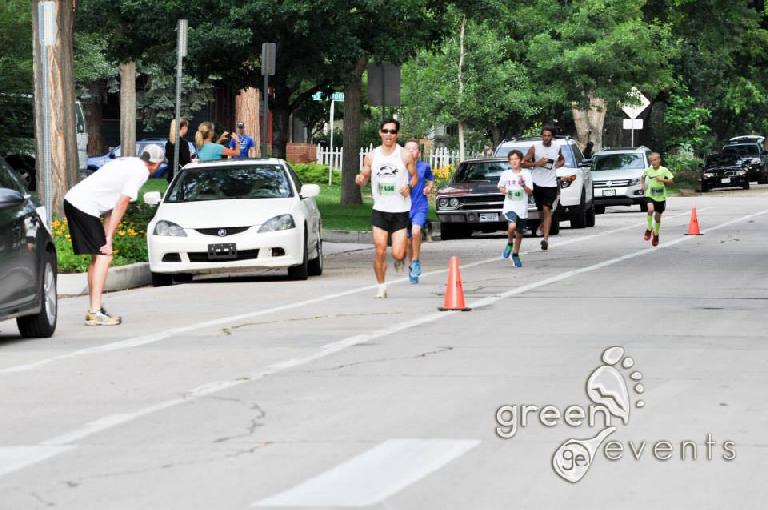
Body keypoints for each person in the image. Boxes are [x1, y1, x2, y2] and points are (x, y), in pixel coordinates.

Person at [63, 145, 165, 325]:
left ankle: (95, 309)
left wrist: (107, 234)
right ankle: (95, 312)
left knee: (99, 256)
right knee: (104, 256)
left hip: (76, 201)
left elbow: (112, 206)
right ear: (156, 165)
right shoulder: (140, 172)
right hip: (84, 205)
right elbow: (121, 204)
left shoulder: (130, 163)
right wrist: (108, 238)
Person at [355, 118, 418, 298]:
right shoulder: (372, 155)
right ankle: (381, 286)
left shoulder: (405, 154)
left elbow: (414, 176)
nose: (389, 134)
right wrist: (361, 178)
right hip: (380, 209)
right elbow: (365, 174)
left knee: (398, 253)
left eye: (392, 131)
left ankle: (400, 258)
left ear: (397, 134)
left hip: (400, 210)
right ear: (380, 132)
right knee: (380, 249)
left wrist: (410, 187)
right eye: (385, 131)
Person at [523, 126, 564, 251]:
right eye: (544, 135)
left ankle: (545, 239)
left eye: (548, 136)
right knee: (541, 210)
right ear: (542, 136)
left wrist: (558, 165)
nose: (546, 138)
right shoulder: (535, 147)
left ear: (552, 136)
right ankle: (542, 224)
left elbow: (562, 159)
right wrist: (536, 163)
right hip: (537, 183)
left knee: (547, 209)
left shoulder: (557, 147)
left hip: (550, 183)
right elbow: (523, 163)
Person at [404, 140, 434, 284]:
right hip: (403, 208)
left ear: (419, 153)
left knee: (416, 232)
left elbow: (430, 180)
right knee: (408, 241)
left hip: (420, 206)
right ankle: (412, 266)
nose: (411, 151)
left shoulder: (424, 167)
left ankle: (416, 261)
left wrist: (429, 188)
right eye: (408, 149)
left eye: (414, 149)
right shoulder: (400, 168)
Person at [498, 150, 533, 267]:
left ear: (521, 160)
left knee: (519, 233)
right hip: (510, 205)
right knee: (512, 226)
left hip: (522, 207)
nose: (514, 161)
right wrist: (506, 191)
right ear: (509, 161)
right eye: (511, 159)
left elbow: (530, 192)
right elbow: (501, 188)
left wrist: (523, 185)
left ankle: (515, 254)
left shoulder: (526, 174)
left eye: (516, 159)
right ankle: (509, 243)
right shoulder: (506, 174)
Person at [641, 152, 674, 247]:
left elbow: (671, 181)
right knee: (650, 209)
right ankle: (649, 229)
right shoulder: (648, 170)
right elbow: (642, 177)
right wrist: (642, 185)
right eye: (651, 161)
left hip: (661, 197)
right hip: (650, 195)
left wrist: (662, 180)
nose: (653, 162)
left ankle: (656, 235)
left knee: (657, 217)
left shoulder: (664, 170)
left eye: (655, 160)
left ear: (659, 160)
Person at [164, 118, 191, 183]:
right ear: (184, 127)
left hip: (170, 174)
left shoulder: (168, 143)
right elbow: (186, 161)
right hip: (181, 175)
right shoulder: (183, 143)